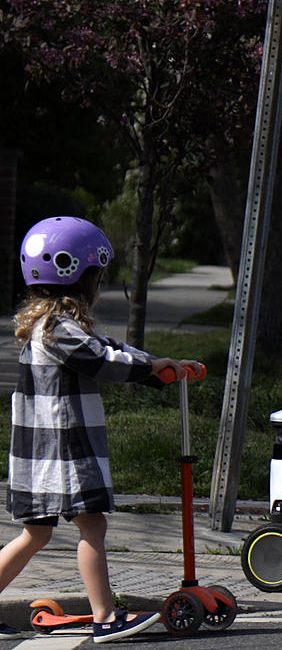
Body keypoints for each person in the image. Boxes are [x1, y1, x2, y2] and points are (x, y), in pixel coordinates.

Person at [1, 216, 204, 642]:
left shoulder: (49, 327)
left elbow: (110, 349)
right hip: (64, 451)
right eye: (99, 276)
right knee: (92, 528)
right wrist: (149, 369)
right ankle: (106, 617)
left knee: (35, 534)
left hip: (39, 457)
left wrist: (156, 366)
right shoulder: (58, 330)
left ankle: (104, 613)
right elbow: (103, 362)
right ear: (83, 278)